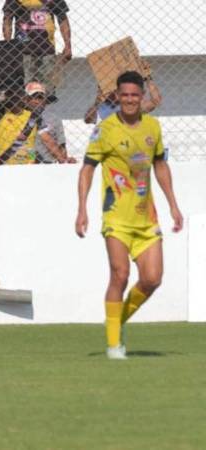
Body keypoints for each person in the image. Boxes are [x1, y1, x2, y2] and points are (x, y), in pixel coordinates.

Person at [75, 71, 183, 360]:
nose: (130, 100)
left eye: (135, 95)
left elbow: (160, 165)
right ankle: (114, 345)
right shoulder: (105, 129)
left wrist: (173, 204)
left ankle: (115, 320)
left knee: (152, 279)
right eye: (125, 95)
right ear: (118, 96)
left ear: (142, 96)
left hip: (146, 219)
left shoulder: (153, 127)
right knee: (120, 275)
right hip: (116, 219)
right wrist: (82, 208)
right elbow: (87, 169)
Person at [0, 81, 71, 164]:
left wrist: (64, 160)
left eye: (40, 97)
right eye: (33, 97)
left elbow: (53, 142)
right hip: (13, 163)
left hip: (43, 164)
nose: (36, 101)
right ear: (25, 99)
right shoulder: (5, 115)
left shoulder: (52, 119)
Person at [2, 0, 71, 96]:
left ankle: (43, 106)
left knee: (47, 91)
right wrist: (8, 46)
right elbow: (7, 20)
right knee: (25, 91)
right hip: (22, 51)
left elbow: (63, 19)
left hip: (47, 50)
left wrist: (68, 45)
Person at [84, 65, 162, 124]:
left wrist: (148, 78)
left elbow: (155, 101)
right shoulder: (101, 108)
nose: (110, 92)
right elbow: (87, 119)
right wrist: (98, 101)